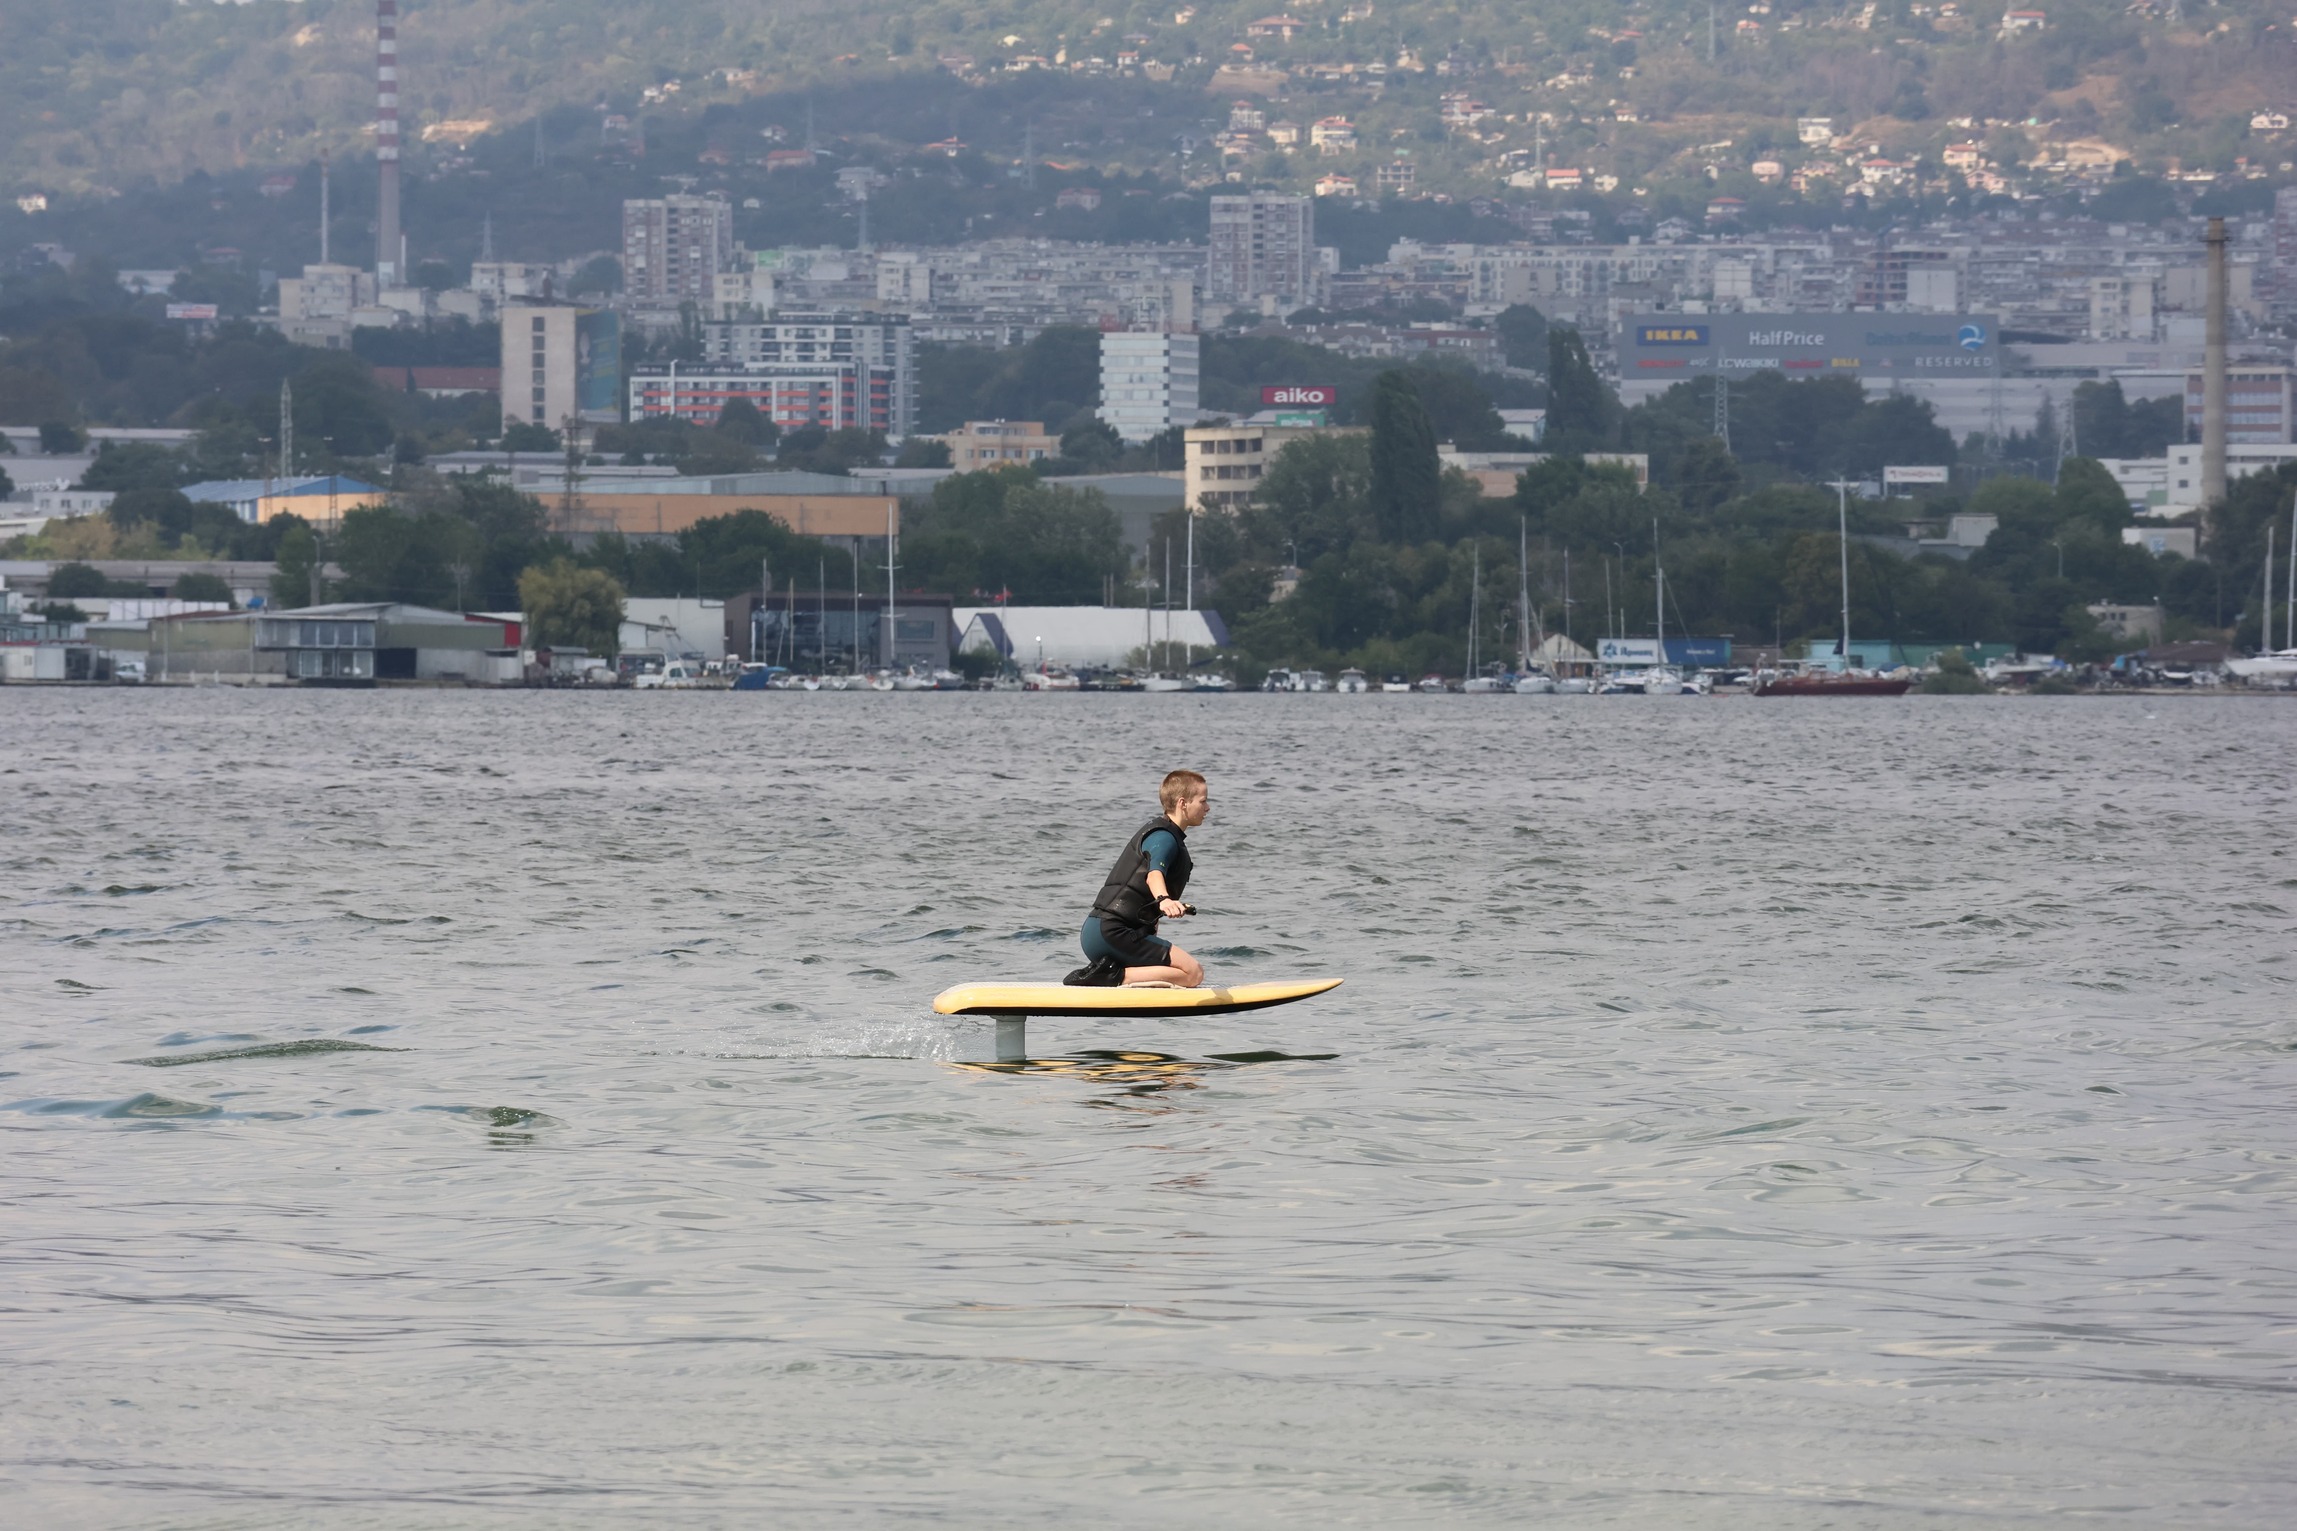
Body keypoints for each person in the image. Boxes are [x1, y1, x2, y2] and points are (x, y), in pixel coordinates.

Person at [1066, 770, 1210, 988]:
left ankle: (1107, 971)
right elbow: (1154, 875)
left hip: (1100, 932)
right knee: (1193, 973)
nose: (1207, 808)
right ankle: (1112, 976)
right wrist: (1164, 900)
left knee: (1179, 972)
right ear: (1183, 803)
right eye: (1203, 801)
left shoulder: (1165, 834)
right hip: (1113, 934)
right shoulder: (1164, 838)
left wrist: (1157, 918)